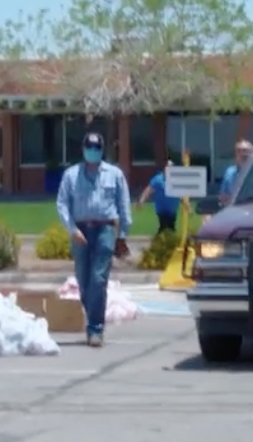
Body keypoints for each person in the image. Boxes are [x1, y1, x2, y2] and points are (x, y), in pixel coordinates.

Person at [54, 130, 130, 348]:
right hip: (80, 231)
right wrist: (71, 229)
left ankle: (95, 328)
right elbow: (62, 204)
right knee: (84, 281)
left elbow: (123, 205)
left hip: (105, 229)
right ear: (83, 149)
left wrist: (122, 235)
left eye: (97, 148)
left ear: (102, 150)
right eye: (89, 147)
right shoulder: (71, 175)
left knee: (98, 279)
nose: (93, 151)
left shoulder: (114, 174)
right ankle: (93, 318)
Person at [140, 164, 181, 234]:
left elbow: (181, 193)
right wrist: (142, 200)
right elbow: (149, 190)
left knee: (171, 227)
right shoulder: (158, 180)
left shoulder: (176, 180)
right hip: (162, 209)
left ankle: (165, 241)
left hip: (172, 209)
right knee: (164, 227)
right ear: (164, 169)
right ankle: (161, 241)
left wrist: (187, 207)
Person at [219, 138, 253, 203]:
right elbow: (223, 197)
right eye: (238, 151)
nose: (242, 154)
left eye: (245, 151)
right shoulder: (229, 172)